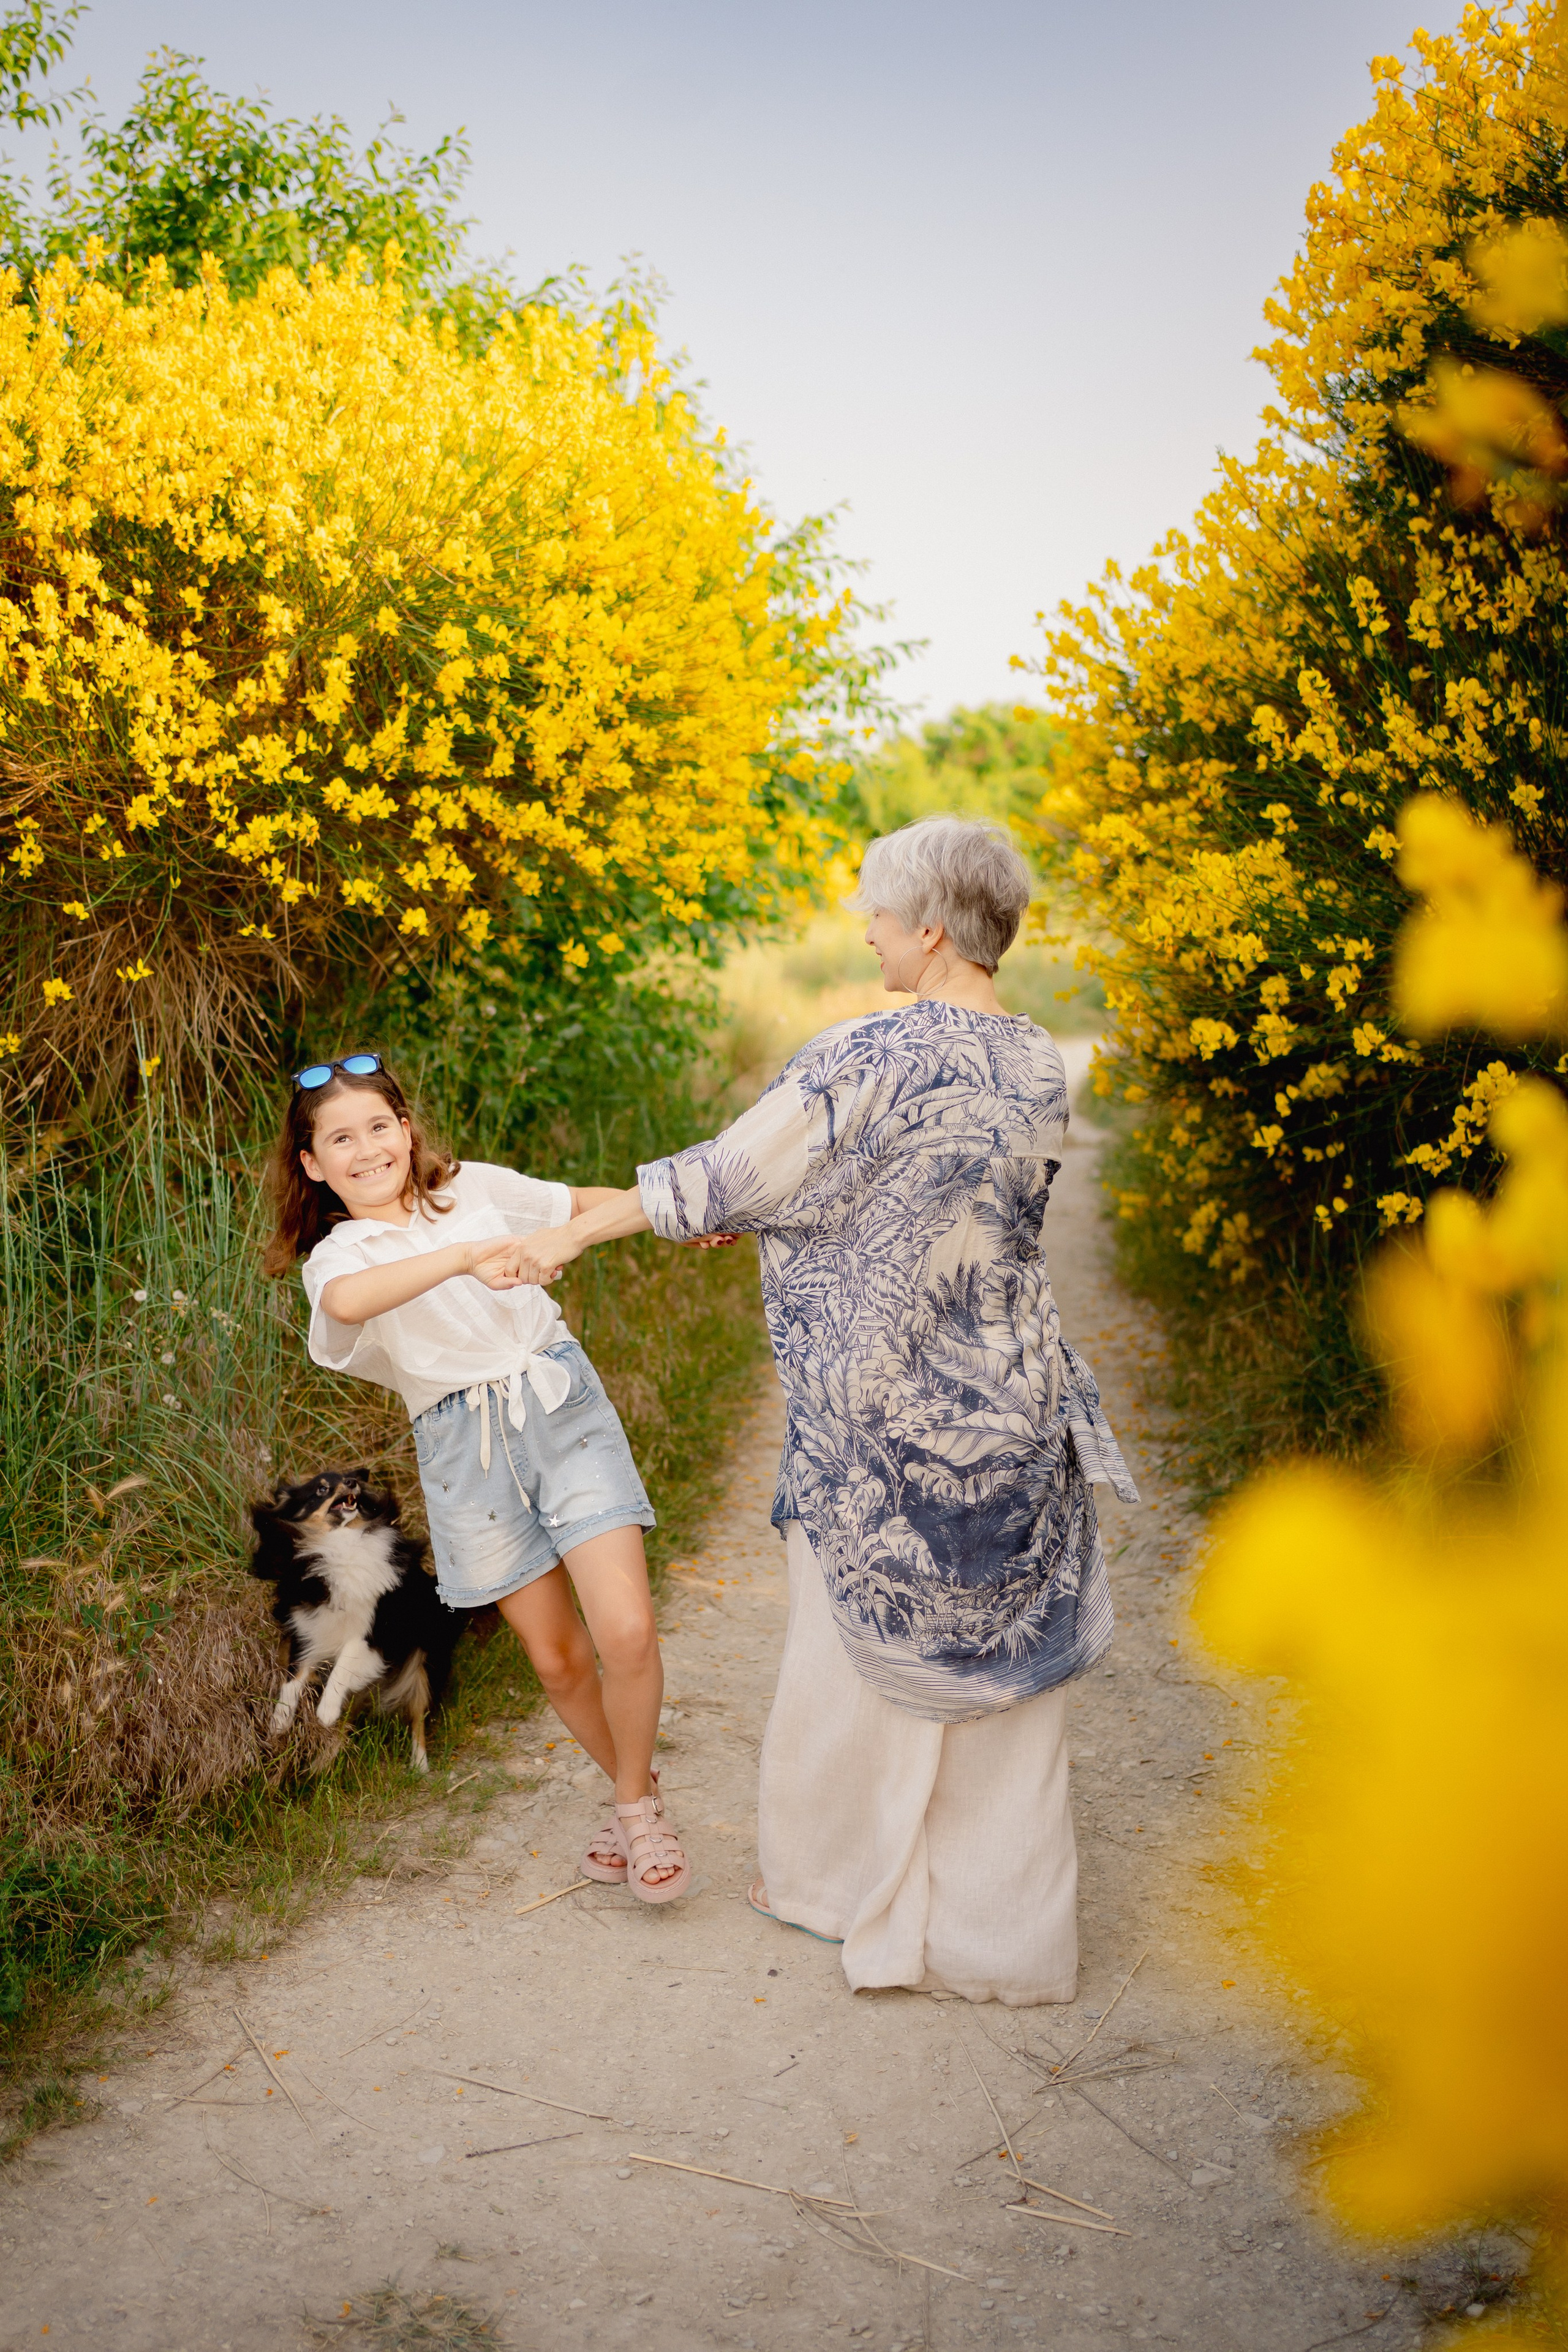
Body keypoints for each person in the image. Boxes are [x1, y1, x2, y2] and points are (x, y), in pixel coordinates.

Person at [511, 815, 1140, 2005]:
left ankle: (840, 1891)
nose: (864, 931)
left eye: (875, 912)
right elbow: (916, 1196)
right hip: (1016, 1410)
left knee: (847, 1670)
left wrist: (568, 1232)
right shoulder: (1038, 1061)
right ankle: (1000, 1938)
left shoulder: (864, 1051)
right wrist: (758, 1207)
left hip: (880, 1422)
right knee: (1004, 1706)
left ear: (932, 927)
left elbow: (727, 1177)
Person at [262, 1052, 691, 1902]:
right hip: (464, 1451)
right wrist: (463, 1261)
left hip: (561, 1406)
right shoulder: (338, 1256)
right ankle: (637, 1798)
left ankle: (635, 1810)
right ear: (312, 1163)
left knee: (628, 1632)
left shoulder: (471, 1189)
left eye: (380, 1126)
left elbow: (580, 1207)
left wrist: (681, 1212)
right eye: (340, 1139)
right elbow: (349, 1306)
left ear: (406, 1128)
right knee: (560, 1660)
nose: (368, 1149)